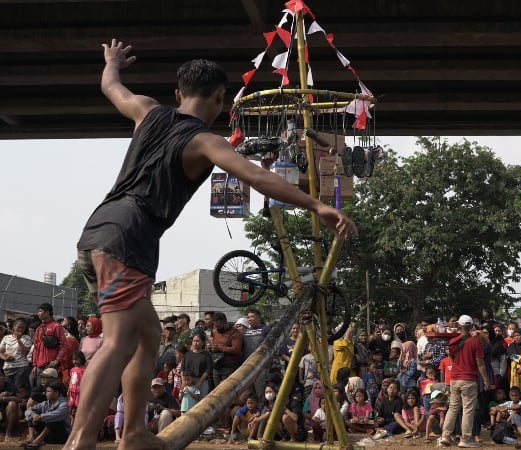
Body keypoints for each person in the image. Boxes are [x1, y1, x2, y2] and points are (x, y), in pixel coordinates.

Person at [67, 39, 356, 450]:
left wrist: (112, 62)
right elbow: (256, 177)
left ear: (177, 93)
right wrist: (316, 205)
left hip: (97, 229)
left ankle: (133, 433)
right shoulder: (206, 141)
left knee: (148, 332)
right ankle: (78, 443)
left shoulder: (147, 111)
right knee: (118, 340)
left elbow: (111, 87)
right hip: (129, 237)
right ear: (221, 98)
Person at [438, 314, 492, 448]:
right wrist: (486, 380)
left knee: (453, 408)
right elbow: (480, 364)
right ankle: (466, 439)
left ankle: (445, 435)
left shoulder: (453, 342)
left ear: (460, 325)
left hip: (454, 379)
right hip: (468, 379)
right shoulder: (475, 342)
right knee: (468, 410)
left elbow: (451, 357)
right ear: (471, 326)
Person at [23, 381, 70, 448]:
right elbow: (28, 411)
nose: (46, 393)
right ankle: (31, 437)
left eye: (48, 391)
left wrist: (40, 417)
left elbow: (57, 415)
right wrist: (34, 415)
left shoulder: (64, 404)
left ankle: (38, 440)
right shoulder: (45, 403)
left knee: (53, 418)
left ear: (57, 393)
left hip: (60, 436)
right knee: (32, 414)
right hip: (48, 434)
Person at [31, 303, 67, 388]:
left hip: (51, 363)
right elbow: (36, 348)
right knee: (40, 390)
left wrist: (57, 360)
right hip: (39, 365)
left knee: (51, 389)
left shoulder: (56, 326)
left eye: (40, 311)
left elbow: (64, 345)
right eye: (38, 312)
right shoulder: (39, 329)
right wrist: (35, 365)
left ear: (47, 312)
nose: (38, 314)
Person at [0, 318, 32, 391]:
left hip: (21, 367)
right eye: (18, 327)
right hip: (8, 367)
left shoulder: (27, 338)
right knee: (8, 389)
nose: (20, 329)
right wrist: (5, 357)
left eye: (22, 328)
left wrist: (18, 339)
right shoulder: (6, 338)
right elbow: (1, 352)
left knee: (19, 389)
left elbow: (25, 352)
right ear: (14, 327)